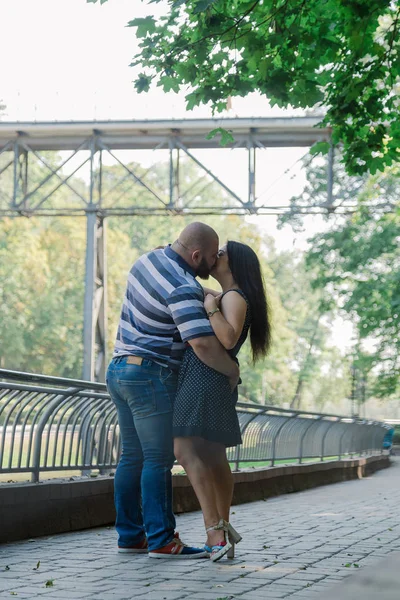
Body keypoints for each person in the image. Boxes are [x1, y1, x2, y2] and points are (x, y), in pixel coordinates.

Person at [106, 223, 239, 559]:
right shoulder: (183, 286)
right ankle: (162, 539)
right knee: (157, 460)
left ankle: (131, 536)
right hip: (150, 375)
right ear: (195, 255)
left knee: (131, 457)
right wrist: (231, 370)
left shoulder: (146, 261)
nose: (211, 265)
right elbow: (202, 344)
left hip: (120, 369)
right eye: (209, 258)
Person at [173, 240, 272, 562]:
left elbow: (227, 338)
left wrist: (210, 305)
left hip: (205, 377)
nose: (216, 256)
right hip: (213, 379)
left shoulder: (232, 296)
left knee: (184, 449)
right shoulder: (231, 296)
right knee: (214, 456)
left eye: (222, 253)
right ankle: (222, 530)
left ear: (236, 264)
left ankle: (214, 530)